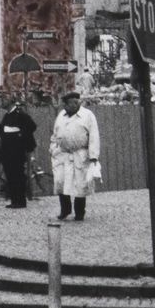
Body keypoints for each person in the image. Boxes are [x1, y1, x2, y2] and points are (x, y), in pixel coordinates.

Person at [50, 91, 100, 221]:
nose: (74, 105)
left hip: (80, 154)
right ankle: (65, 210)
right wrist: (53, 148)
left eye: (76, 102)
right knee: (60, 181)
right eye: (71, 103)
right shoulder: (61, 115)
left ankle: (79, 212)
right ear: (65, 105)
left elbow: (94, 136)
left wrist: (93, 156)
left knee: (80, 184)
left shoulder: (87, 115)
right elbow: (55, 134)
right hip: (62, 154)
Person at [0, 99, 38, 208]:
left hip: (17, 151)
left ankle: (21, 201)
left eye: (3, 99)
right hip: (7, 151)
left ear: (11, 102)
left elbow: (32, 126)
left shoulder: (20, 114)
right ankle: (14, 200)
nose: (1, 101)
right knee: (10, 176)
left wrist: (19, 136)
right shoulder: (7, 115)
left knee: (18, 176)